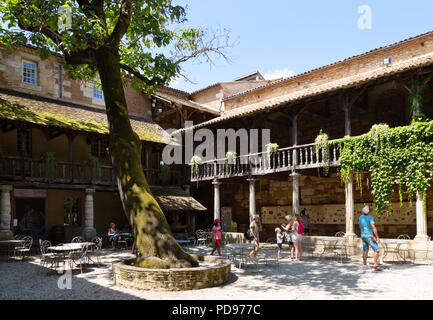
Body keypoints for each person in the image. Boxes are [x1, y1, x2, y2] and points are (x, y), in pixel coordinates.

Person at [359, 205, 383, 271]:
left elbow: (360, 226)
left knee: (365, 250)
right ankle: (375, 265)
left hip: (363, 236)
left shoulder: (360, 217)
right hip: (369, 236)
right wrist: (377, 237)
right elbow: (373, 228)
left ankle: (364, 265)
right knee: (377, 250)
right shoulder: (370, 218)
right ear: (368, 211)